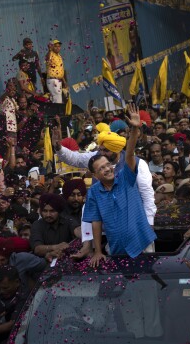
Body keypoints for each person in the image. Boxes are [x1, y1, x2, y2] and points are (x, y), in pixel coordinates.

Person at [82, 103, 157, 267]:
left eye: (107, 165)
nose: (107, 169)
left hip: (143, 243)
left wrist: (135, 130)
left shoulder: (125, 177)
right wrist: (97, 251)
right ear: (95, 175)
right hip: (116, 249)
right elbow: (95, 221)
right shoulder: (94, 192)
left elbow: (129, 154)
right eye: (101, 169)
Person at [29, 193, 80, 258]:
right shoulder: (37, 225)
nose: (48, 215)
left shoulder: (68, 221)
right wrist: (55, 247)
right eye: (45, 211)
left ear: (59, 211)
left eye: (52, 211)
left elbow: (77, 230)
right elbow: (37, 249)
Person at [45, 39, 67, 104]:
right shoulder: (51, 54)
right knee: (57, 99)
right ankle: (57, 114)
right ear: (52, 47)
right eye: (56, 46)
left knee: (58, 98)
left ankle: (57, 113)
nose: (58, 48)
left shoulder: (59, 56)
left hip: (59, 80)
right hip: (53, 80)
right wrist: (49, 50)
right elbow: (47, 58)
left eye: (59, 46)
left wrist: (64, 81)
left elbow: (60, 69)